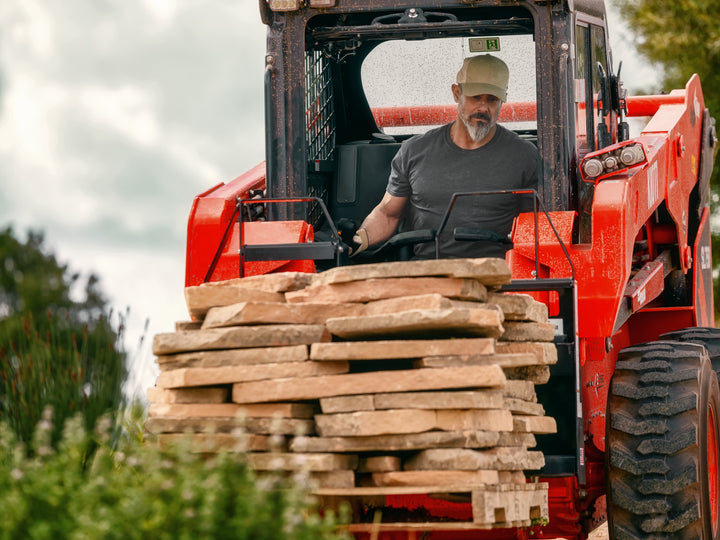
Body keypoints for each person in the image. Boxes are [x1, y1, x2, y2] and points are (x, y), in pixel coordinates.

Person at [351, 54, 538, 259]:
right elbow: (388, 214)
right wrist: (355, 242)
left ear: (503, 99)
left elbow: (534, 226)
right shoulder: (414, 151)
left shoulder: (524, 156)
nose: (483, 108)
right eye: (475, 97)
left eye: (492, 99)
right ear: (457, 93)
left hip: (496, 274)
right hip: (428, 271)